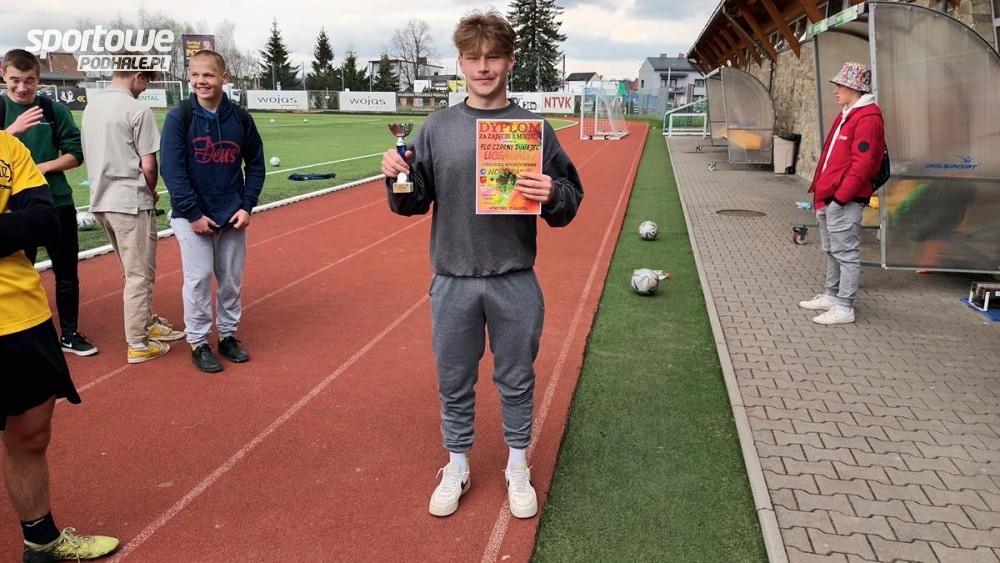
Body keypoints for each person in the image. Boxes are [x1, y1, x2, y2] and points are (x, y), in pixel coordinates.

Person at [380, 9, 584, 519]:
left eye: (493, 57)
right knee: (453, 380)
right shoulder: (436, 127)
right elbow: (412, 202)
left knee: (516, 379)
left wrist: (552, 193)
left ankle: (517, 464)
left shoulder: (534, 129)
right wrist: (396, 176)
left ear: (510, 61)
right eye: (473, 58)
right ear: (461, 63)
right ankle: (457, 464)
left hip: (514, 277)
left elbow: (569, 201)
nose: (484, 67)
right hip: (453, 279)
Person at [0, 130, 119, 562]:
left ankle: (42, 542)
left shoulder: (9, 147)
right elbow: (24, 223)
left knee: (31, 432)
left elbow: (44, 221)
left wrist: (19, 223)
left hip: (21, 313)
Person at [159, 50, 265, 374]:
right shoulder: (180, 117)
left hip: (232, 215)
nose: (200, 81)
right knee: (199, 279)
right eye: (195, 75)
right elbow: (172, 170)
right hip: (191, 216)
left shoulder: (241, 119)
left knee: (231, 280)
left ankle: (228, 336)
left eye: (208, 74)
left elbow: (256, 165)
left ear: (224, 77)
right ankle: (198, 342)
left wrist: (247, 206)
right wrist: (193, 214)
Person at [81, 65, 185, 363]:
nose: (145, 88)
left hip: (101, 200)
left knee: (131, 270)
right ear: (137, 76)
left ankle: (147, 322)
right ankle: (138, 343)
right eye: (146, 82)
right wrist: (151, 191)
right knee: (140, 275)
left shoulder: (92, 107)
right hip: (129, 200)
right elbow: (149, 165)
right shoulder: (138, 110)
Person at [1, 49, 96, 357]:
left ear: (38, 78)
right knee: (19, 271)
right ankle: (21, 334)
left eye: (29, 80)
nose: (22, 87)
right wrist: (10, 133)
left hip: (56, 204)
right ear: (4, 76)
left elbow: (75, 154)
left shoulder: (54, 111)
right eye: (15, 80)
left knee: (66, 272)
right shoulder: (1, 109)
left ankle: (69, 333)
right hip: (14, 210)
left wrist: (41, 168)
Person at [799, 62, 885, 325]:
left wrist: (840, 198)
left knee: (846, 253)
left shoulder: (867, 117)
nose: (835, 90)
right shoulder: (849, 112)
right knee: (832, 250)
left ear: (855, 88)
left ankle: (845, 307)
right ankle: (831, 295)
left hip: (843, 199)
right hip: (830, 196)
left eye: (840, 86)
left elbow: (863, 164)